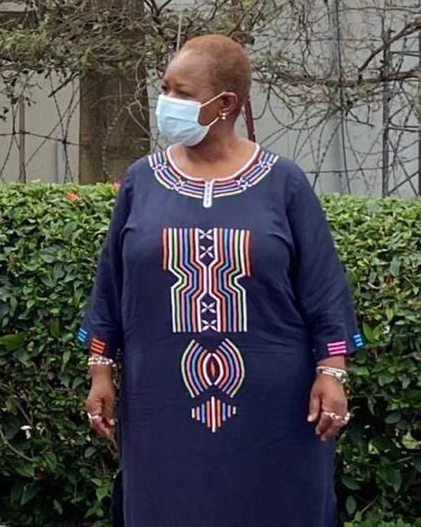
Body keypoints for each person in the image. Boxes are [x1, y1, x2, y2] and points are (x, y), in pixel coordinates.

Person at [80, 35, 362, 527]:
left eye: (182, 93)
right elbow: (111, 283)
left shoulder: (283, 183)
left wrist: (332, 372)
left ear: (226, 104)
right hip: (161, 407)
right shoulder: (142, 181)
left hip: (275, 412)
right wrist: (100, 370)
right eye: (164, 88)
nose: (167, 102)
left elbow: (323, 288)